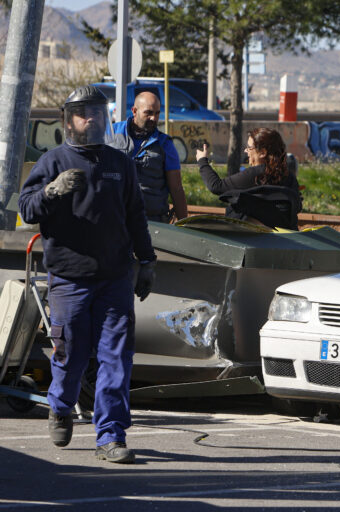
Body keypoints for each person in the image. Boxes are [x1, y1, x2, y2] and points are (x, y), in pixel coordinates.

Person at [18, 85, 157, 464]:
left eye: (97, 111)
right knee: (71, 353)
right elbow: (26, 209)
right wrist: (50, 191)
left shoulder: (120, 163)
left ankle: (111, 435)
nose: (91, 118)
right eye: (83, 112)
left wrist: (146, 261)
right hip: (69, 279)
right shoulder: (53, 161)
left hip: (114, 278)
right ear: (68, 120)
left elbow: (136, 216)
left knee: (116, 358)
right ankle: (60, 406)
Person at [195, 127, 302, 230]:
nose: (246, 151)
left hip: (253, 238)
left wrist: (202, 161)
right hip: (285, 235)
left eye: (250, 147)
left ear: (263, 153)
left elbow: (216, 186)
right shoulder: (290, 177)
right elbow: (297, 207)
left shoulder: (255, 175)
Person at [110, 91, 188, 223]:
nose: (154, 118)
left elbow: (176, 189)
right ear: (134, 111)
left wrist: (186, 227)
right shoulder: (110, 134)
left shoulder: (165, 145)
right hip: (115, 220)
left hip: (152, 223)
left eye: (157, 113)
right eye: (148, 113)